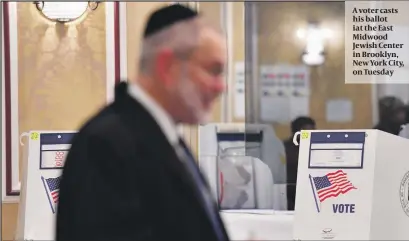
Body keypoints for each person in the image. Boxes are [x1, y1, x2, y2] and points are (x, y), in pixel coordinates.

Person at [56, 5, 229, 241]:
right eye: (213, 70)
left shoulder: (164, 138)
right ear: (167, 66)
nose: (221, 87)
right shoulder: (105, 146)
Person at [283, 116, 316, 210]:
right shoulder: (285, 149)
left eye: (312, 131)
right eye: (306, 131)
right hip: (290, 193)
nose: (310, 134)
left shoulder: (316, 147)